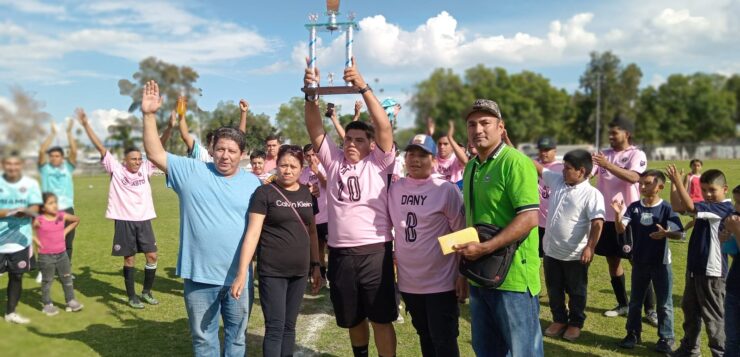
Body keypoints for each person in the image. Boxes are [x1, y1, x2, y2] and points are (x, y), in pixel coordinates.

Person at [140, 80, 261, 357]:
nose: (225, 155)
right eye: (220, 149)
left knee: (237, 337)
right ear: (211, 148)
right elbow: (155, 153)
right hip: (199, 276)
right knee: (203, 340)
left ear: (241, 155)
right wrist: (149, 116)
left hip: (238, 277)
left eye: (232, 151)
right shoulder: (191, 171)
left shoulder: (254, 184)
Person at [304, 57, 398, 357]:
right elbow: (314, 127)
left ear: (372, 145)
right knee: (352, 317)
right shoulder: (333, 163)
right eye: (349, 139)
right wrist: (311, 94)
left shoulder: (379, 162)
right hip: (341, 252)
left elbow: (383, 125)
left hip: (375, 251)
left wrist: (363, 88)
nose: (352, 143)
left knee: (381, 318)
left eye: (360, 139)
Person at [452, 99, 543, 356]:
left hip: (513, 279)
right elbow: (472, 224)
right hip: (480, 276)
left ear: (501, 127)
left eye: (485, 123)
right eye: (472, 124)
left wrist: (485, 248)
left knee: (523, 351)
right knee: (487, 350)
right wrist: (464, 273)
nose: (478, 129)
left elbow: (529, 219)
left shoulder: (516, 163)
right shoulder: (471, 167)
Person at [231, 144, 322, 357]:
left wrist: (316, 265)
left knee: (290, 327)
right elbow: (252, 234)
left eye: (293, 166)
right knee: (275, 328)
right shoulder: (264, 193)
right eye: (283, 165)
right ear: (276, 166)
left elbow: (313, 232)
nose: (287, 170)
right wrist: (242, 271)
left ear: (302, 168)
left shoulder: (308, 194)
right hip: (273, 272)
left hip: (299, 272)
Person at [78, 108, 168, 309]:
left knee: (152, 255)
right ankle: (131, 296)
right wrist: (85, 125)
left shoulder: (146, 168)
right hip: (124, 220)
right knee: (129, 258)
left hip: (144, 220)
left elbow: (159, 147)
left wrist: (170, 126)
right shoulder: (116, 169)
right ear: (124, 161)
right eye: (133, 159)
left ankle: (146, 292)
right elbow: (100, 147)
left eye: (139, 158)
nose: (137, 162)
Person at [388, 133, 468, 356]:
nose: (415, 159)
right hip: (409, 282)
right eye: (411, 154)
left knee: (443, 340)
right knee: (424, 335)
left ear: (433, 159)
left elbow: (461, 234)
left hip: (440, 283)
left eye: (422, 155)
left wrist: (463, 275)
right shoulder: (395, 188)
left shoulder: (446, 189)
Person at [534, 149, 604, 342]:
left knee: (576, 291)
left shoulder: (592, 194)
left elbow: (597, 223)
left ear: (581, 171)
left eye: (567, 168)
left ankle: (575, 323)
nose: (563, 171)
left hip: (575, 255)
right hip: (551, 251)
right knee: (554, 288)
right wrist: (506, 142)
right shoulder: (558, 182)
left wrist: (590, 247)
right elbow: (537, 167)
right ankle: (559, 320)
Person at [592, 115, 656, 322]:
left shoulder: (636, 154)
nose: (610, 136)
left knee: (639, 263)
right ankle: (623, 304)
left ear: (626, 134)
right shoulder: (604, 155)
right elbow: (588, 173)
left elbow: (635, 178)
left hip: (629, 217)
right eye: (609, 133)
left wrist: (607, 165)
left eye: (614, 132)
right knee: (613, 260)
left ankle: (651, 310)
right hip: (607, 216)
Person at [613, 170, 684, 353]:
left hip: (661, 263)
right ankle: (633, 334)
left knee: (665, 304)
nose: (642, 187)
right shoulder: (635, 206)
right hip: (639, 262)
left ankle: (666, 338)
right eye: (641, 183)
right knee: (635, 302)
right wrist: (617, 215)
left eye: (648, 183)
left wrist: (667, 233)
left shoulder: (666, 208)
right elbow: (621, 229)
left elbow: (680, 233)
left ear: (660, 186)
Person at [667, 166, 733, 357]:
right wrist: (674, 184)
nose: (708, 194)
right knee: (690, 311)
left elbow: (688, 207)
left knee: (713, 318)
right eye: (704, 190)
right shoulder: (707, 207)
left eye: (712, 190)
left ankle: (721, 352)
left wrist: (679, 181)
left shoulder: (723, 208)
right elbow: (679, 207)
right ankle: (689, 349)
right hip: (695, 269)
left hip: (712, 272)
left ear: (725, 189)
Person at [0, 152, 42, 324]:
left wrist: (27, 211)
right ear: (3, 164)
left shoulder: (31, 183)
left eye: (16, 164)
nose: (12, 167)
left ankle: (11, 313)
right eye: (9, 164)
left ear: (21, 165)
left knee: (16, 276)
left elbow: (35, 207)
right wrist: (12, 212)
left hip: (21, 241)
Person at [33, 192, 83, 316]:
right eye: (50, 203)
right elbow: (26, 229)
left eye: (55, 202)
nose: (54, 205)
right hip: (45, 257)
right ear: (43, 207)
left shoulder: (62, 216)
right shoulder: (39, 220)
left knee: (67, 278)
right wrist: (35, 240)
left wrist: (65, 232)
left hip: (62, 255)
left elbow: (76, 220)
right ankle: (47, 304)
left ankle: (70, 301)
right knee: (47, 281)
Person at [38, 118, 78, 265]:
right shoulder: (44, 169)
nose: (54, 158)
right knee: (47, 240)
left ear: (62, 157)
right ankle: (46, 268)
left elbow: (74, 150)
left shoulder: (68, 167)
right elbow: (41, 150)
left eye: (57, 156)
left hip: (67, 208)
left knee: (67, 241)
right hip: (49, 209)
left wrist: (69, 133)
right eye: (52, 156)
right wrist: (52, 134)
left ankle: (66, 269)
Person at [177, 99, 249, 163]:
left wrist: (244, 113)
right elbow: (185, 136)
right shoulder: (202, 154)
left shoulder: (224, 159)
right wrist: (181, 114)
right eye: (214, 141)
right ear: (208, 145)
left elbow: (239, 139)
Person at [299, 144, 329, 280]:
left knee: (332, 249)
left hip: (329, 216)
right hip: (314, 217)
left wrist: (317, 172)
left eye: (314, 155)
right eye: (308, 156)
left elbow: (328, 186)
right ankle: (321, 275)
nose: (311, 158)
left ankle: (333, 275)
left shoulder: (326, 167)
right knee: (318, 249)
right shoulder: (303, 173)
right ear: (304, 157)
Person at [535, 136, 564, 258]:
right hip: (536, 222)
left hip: (554, 222)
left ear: (555, 151)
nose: (543, 153)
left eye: (547, 150)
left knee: (553, 257)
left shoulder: (561, 168)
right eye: (541, 149)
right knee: (536, 256)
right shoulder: (533, 164)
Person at [720, 191, 740, 356]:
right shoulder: (736, 218)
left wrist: (737, 231)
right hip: (734, 286)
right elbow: (734, 254)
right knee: (732, 339)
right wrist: (726, 239)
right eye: (736, 202)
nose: (736, 207)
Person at [425, 118, 465, 184]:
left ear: (452, 146)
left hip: (453, 191)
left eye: (445, 144)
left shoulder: (456, 159)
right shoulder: (434, 158)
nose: (442, 147)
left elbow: (465, 162)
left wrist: (450, 137)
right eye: (440, 144)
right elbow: (423, 155)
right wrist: (429, 135)